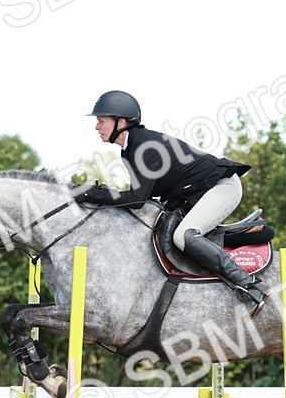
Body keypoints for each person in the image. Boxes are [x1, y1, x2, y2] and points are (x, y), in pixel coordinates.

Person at [76, 90, 267, 316]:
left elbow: (137, 199)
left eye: (101, 121)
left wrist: (94, 194)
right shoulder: (129, 150)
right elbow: (145, 197)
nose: (97, 127)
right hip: (197, 193)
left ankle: (250, 286)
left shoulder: (143, 147)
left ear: (122, 122)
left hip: (222, 187)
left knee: (184, 236)